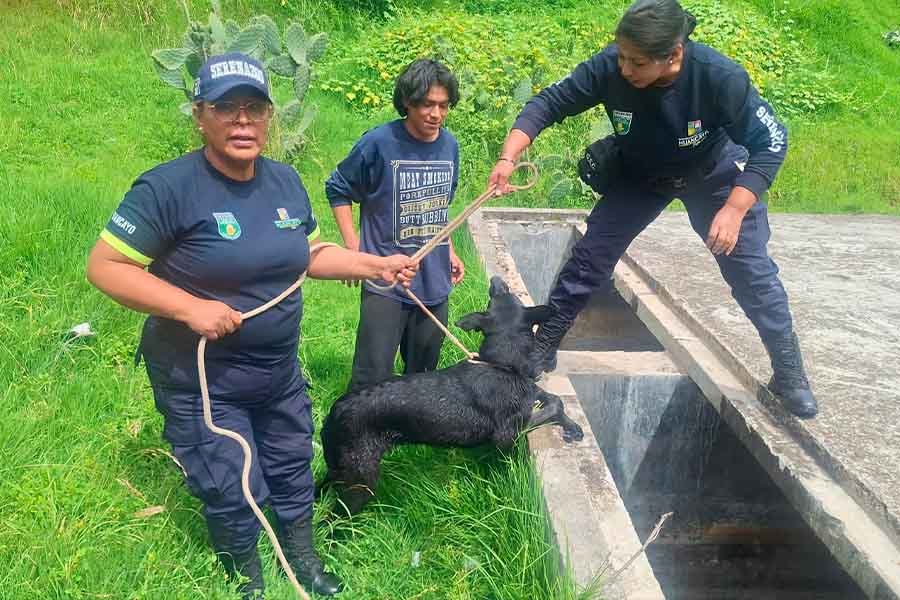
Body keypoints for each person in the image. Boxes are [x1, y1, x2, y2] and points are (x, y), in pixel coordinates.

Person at [86, 52, 417, 599]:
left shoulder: (284, 182)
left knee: (291, 463)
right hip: (202, 381)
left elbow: (308, 254)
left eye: (255, 108)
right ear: (200, 116)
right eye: (226, 108)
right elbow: (105, 266)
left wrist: (372, 264)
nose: (242, 121)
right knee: (227, 479)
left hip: (276, 371)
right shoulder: (167, 188)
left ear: (268, 117)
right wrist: (189, 308)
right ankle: (247, 576)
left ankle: (302, 558)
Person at [488, 0, 818, 419]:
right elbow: (548, 103)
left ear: (674, 54)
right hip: (641, 172)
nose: (625, 68)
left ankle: (789, 374)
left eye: (637, 62)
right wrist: (508, 157)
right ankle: (545, 343)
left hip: (713, 173)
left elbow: (771, 142)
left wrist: (736, 207)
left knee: (751, 273)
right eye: (621, 56)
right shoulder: (611, 66)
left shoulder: (719, 77)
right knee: (591, 256)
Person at [325, 59, 464, 393]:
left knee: (423, 376)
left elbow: (439, 205)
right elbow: (338, 189)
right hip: (384, 279)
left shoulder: (450, 146)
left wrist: (449, 251)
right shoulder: (379, 143)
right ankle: (357, 422)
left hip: (433, 278)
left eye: (443, 105)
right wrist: (354, 251)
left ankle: (408, 425)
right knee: (371, 378)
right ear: (407, 102)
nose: (436, 114)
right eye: (427, 104)